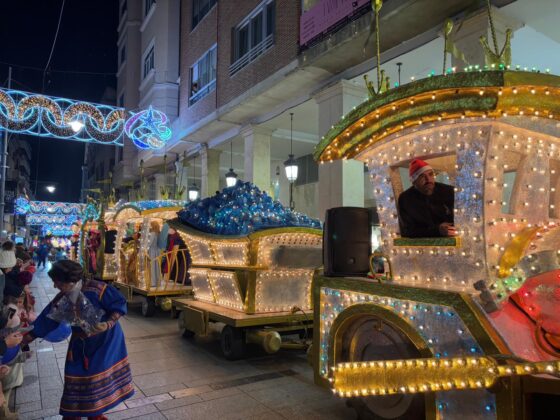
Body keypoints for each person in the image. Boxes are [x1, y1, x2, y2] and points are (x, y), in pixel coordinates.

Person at [24, 260, 134, 419]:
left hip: (106, 341)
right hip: (80, 343)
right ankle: (75, 415)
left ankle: (95, 414)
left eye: (58, 283)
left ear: (71, 281)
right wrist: (21, 341)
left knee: (94, 379)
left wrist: (108, 323)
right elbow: (45, 321)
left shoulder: (99, 290)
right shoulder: (64, 298)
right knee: (75, 377)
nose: (55, 287)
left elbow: (120, 304)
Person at [397, 158, 455, 238]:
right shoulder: (405, 199)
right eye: (422, 176)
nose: (428, 180)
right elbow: (407, 231)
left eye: (431, 174)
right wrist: (437, 231)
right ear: (414, 181)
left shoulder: (448, 191)